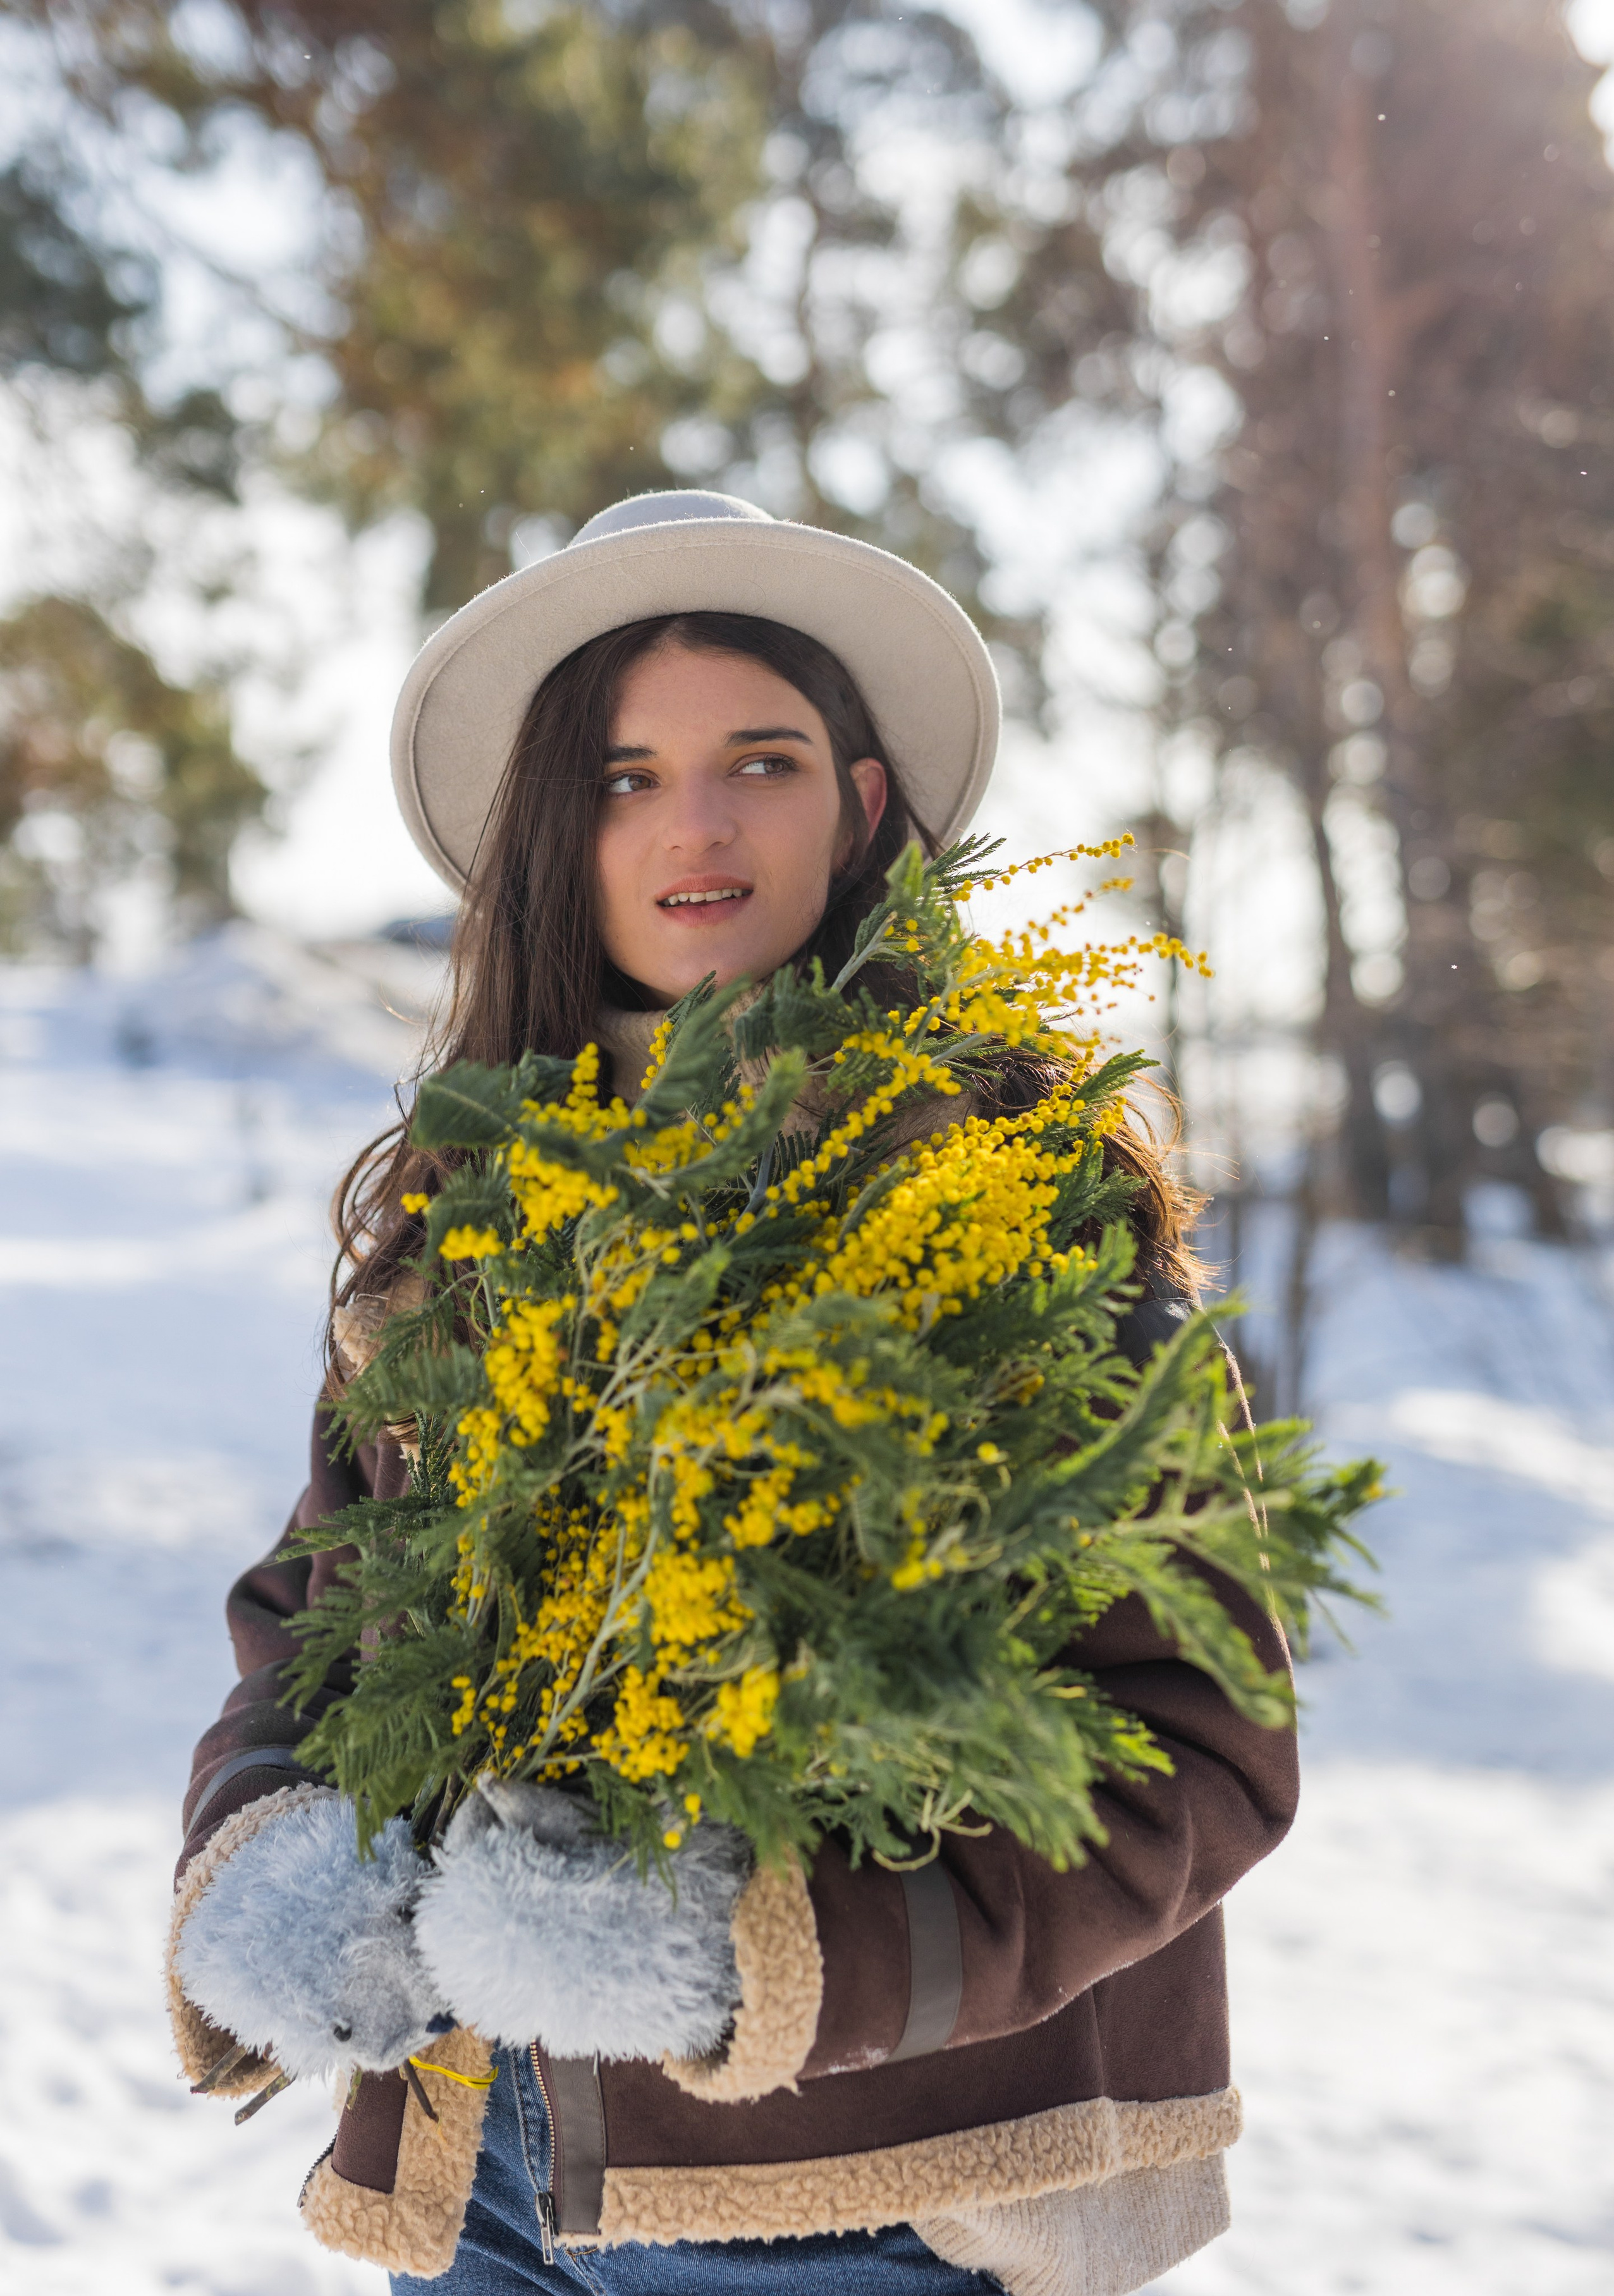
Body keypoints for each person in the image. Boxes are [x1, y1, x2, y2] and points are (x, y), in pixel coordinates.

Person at [166, 491, 1297, 2296]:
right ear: (559, 827)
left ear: (856, 804)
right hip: (475, 2177)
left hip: (862, 2202)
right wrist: (283, 1854)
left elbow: (1200, 1742)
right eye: (624, 776)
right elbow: (318, 1616)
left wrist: (753, 1956)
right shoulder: (474, 1206)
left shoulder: (1008, 1199)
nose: (694, 824)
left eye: (757, 760)